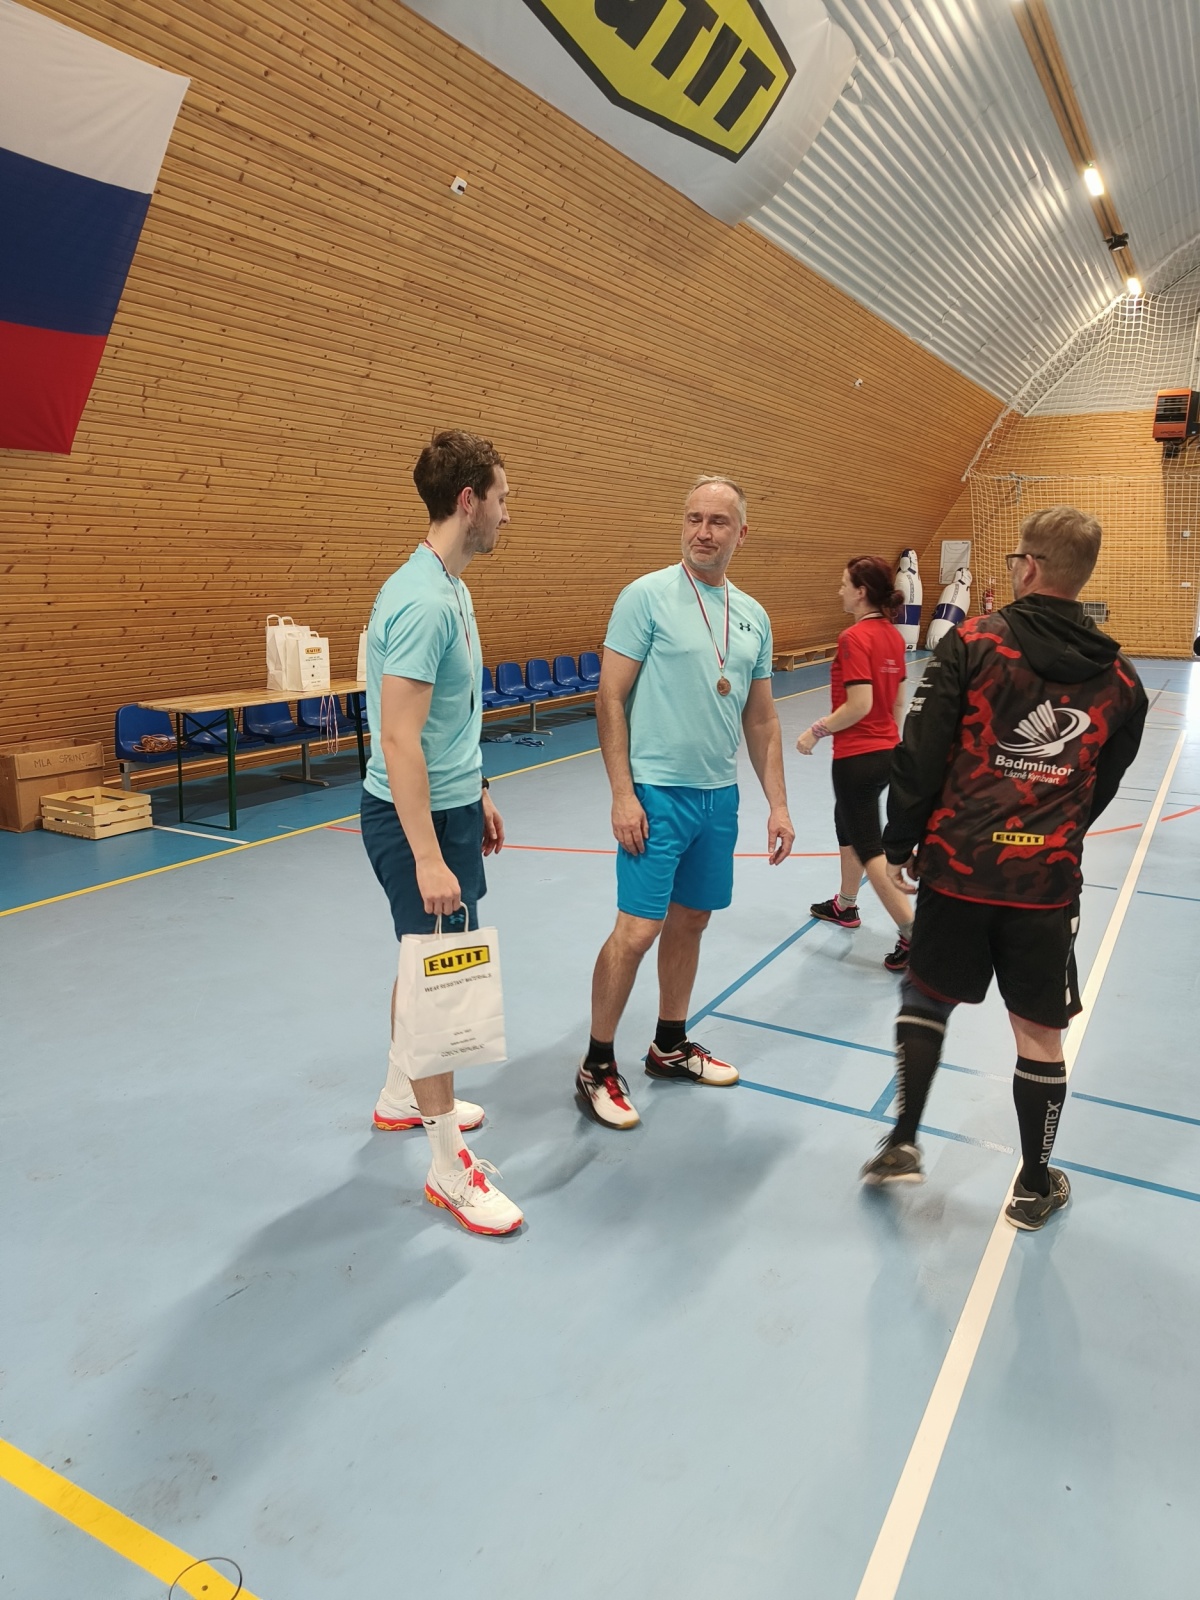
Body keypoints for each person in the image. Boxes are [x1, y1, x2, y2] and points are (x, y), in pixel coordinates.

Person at [860, 506, 1147, 1230]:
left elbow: (921, 751)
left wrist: (902, 840)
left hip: (960, 868)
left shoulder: (973, 642)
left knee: (927, 998)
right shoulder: (1121, 681)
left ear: (1030, 567)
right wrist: (1054, 833)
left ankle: (902, 1141)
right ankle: (1034, 1183)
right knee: (1038, 1032)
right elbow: (1104, 784)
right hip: (1043, 885)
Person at [575, 475, 795, 1129]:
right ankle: (596, 1064)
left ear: (740, 533)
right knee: (637, 930)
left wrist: (778, 805)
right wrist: (622, 794)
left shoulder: (753, 615)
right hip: (655, 794)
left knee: (692, 921)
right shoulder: (644, 597)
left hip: (717, 797)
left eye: (717, 522)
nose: (703, 531)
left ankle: (669, 1045)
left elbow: (762, 719)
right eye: (694, 518)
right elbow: (610, 697)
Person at [360, 429, 523, 1236]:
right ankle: (447, 1168)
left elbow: (447, 720)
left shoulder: (448, 584)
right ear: (469, 501)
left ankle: (403, 1094)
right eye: (501, 499)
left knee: (420, 960)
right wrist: (427, 854)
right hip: (414, 820)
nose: (506, 514)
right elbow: (398, 738)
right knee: (439, 978)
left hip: (450, 805)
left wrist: (478, 786)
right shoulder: (424, 601)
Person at [796, 555, 915, 971]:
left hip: (856, 758)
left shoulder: (853, 638)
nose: (839, 590)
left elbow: (859, 704)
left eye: (844, 584)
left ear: (861, 592)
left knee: (869, 847)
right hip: (886, 752)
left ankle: (913, 934)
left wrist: (816, 731)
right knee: (846, 820)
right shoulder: (893, 637)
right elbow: (897, 701)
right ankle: (845, 905)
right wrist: (891, 742)